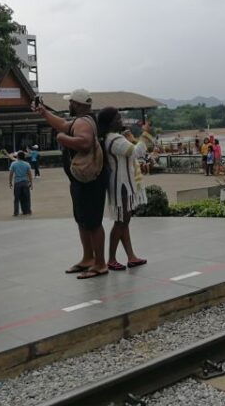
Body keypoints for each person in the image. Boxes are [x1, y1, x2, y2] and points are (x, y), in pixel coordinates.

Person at [35, 89, 108, 279]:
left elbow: (84, 142)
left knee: (92, 221)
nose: (69, 105)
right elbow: (63, 124)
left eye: (71, 103)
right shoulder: (82, 121)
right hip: (82, 180)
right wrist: (44, 113)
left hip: (89, 181)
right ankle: (88, 258)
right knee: (83, 220)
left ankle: (100, 263)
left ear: (77, 104)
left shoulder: (83, 122)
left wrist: (62, 139)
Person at [97, 107, 153, 271]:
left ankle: (131, 257)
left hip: (122, 185)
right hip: (122, 185)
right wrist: (145, 134)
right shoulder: (115, 139)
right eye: (118, 118)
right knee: (121, 222)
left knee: (124, 222)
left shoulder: (112, 138)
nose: (120, 120)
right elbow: (137, 152)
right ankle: (112, 259)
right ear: (110, 122)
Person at [9, 151, 33, 216]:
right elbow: (29, 174)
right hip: (25, 182)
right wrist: (31, 183)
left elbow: (11, 174)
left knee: (16, 198)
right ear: (24, 157)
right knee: (26, 197)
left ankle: (16, 212)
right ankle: (27, 211)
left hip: (17, 182)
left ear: (17, 156)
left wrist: (10, 182)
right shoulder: (27, 164)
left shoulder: (13, 164)